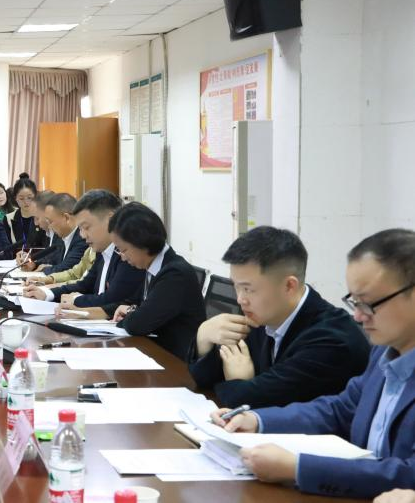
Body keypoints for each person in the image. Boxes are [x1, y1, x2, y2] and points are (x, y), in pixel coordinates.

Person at [211, 229, 415, 499]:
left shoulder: (341, 339)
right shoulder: (384, 351)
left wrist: (298, 468)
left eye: (368, 303)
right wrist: (257, 420)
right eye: (354, 301)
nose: (357, 316)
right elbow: (340, 409)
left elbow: (409, 473)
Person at [189, 226, 369, 408]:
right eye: (236, 286)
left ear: (289, 286)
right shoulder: (262, 315)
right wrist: (203, 336)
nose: (240, 299)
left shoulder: (331, 341)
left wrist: (239, 383)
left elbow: (256, 399)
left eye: (248, 289)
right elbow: (207, 378)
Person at [82, 202, 205, 358]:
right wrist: (130, 310)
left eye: (123, 250)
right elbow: (133, 302)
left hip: (175, 360)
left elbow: (137, 324)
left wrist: (131, 312)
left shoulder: (175, 274)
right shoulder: (152, 267)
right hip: (155, 351)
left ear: (142, 242)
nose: (123, 257)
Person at [26, 190, 144, 309]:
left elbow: (111, 300)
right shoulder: (102, 252)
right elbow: (84, 285)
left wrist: (75, 300)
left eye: (86, 227)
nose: (82, 235)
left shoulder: (127, 255)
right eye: (81, 228)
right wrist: (47, 293)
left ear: (110, 220)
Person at [27, 193, 87, 274]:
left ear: (66, 218)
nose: (49, 226)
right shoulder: (64, 237)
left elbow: (67, 269)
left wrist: (45, 269)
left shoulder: (82, 238)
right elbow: (53, 260)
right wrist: (34, 264)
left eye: (50, 221)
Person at [9, 176, 48, 257]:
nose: (26, 202)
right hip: (16, 260)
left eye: (29, 198)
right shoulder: (8, 218)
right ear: (15, 198)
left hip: (40, 259)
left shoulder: (43, 216)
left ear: (36, 196)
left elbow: (47, 245)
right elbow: (7, 248)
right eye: (21, 198)